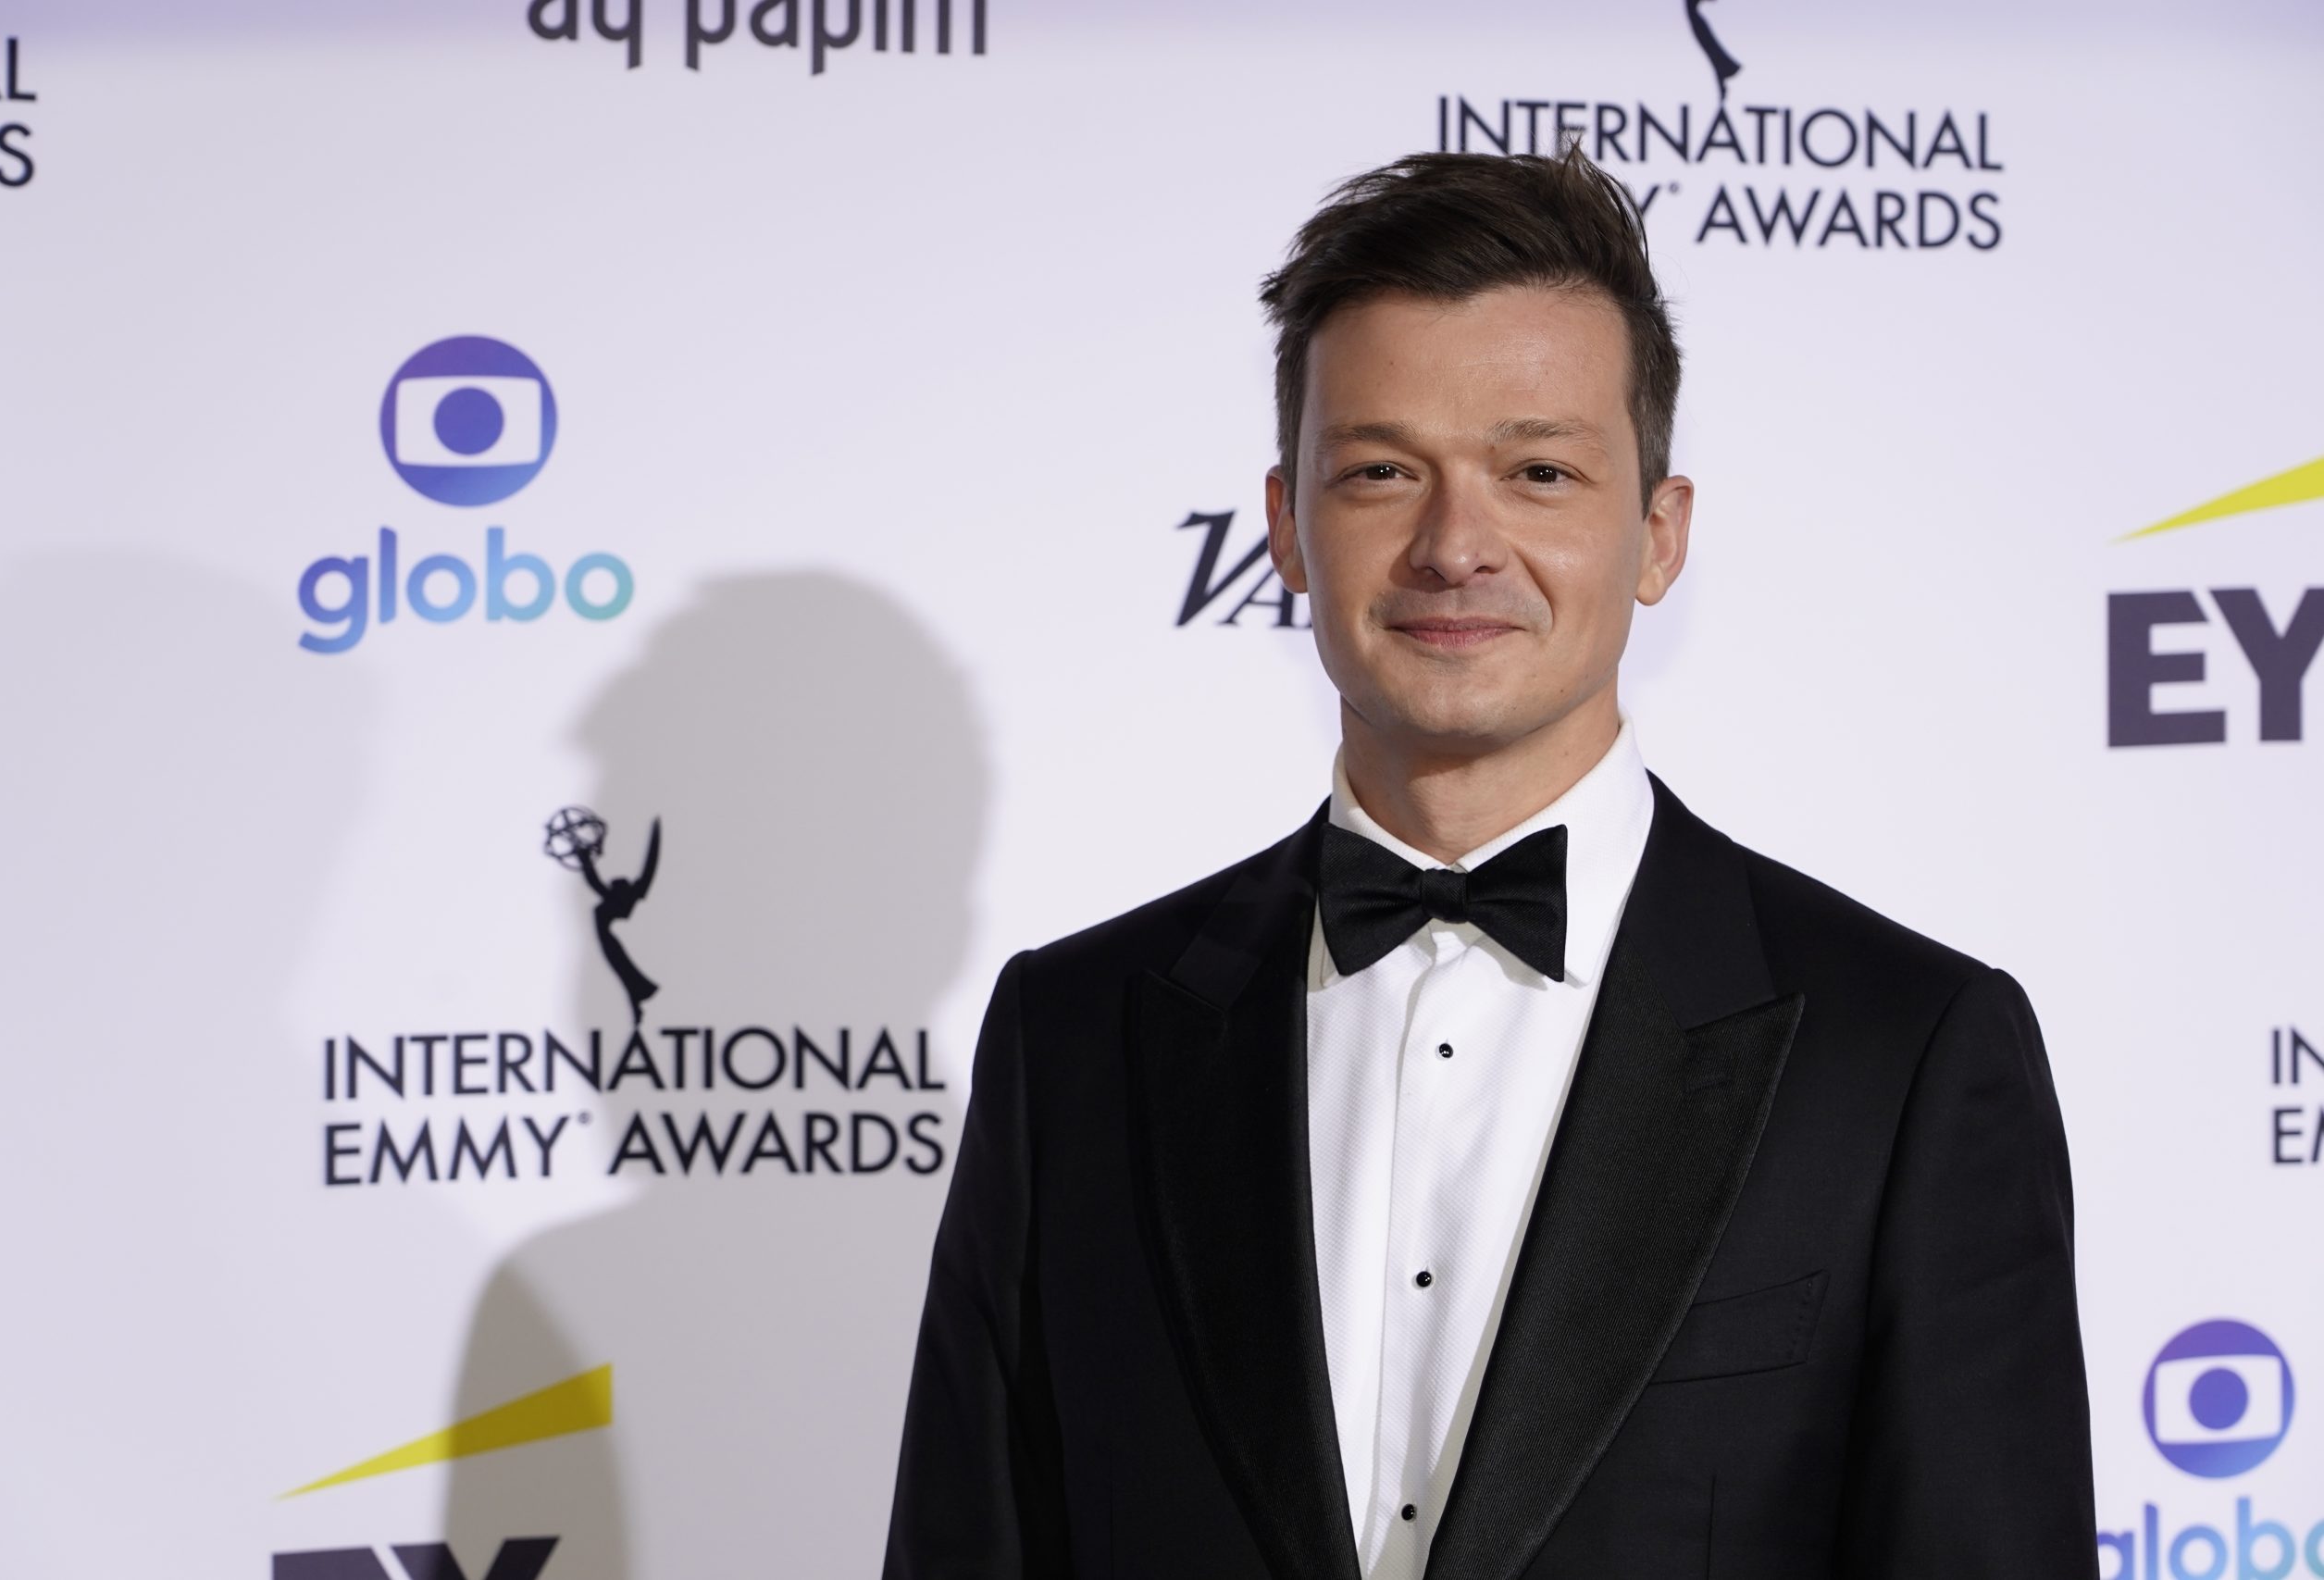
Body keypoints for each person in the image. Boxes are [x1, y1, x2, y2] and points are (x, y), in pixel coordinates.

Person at [883, 147, 2094, 1580]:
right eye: (1384, 472)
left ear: (1658, 533)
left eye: (1538, 472)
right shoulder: (1074, 1039)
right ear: (1285, 526)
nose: (1457, 546)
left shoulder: (1904, 1054)